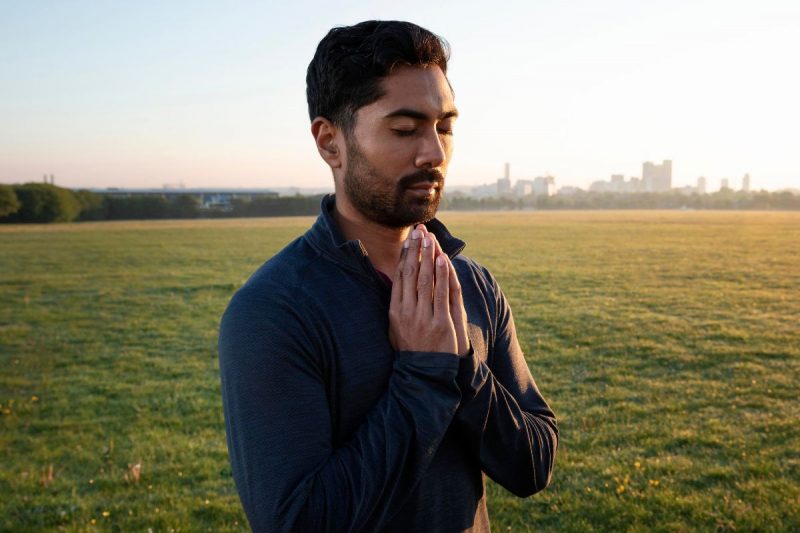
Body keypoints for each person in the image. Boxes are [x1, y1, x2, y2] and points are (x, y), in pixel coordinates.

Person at [218, 20, 558, 532]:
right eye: (405, 129)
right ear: (330, 142)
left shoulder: (471, 283)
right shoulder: (273, 311)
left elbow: (534, 465)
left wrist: (461, 363)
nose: (435, 153)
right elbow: (298, 522)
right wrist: (422, 374)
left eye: (444, 126)